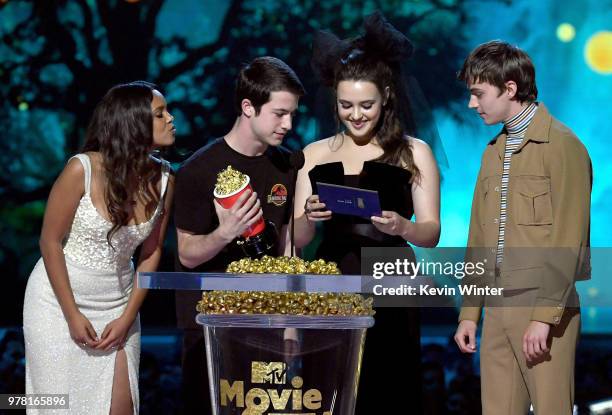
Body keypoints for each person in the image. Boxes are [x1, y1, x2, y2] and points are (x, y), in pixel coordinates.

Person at [294, 13, 441, 414]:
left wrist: (403, 225)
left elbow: (431, 233)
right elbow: (298, 239)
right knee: (330, 385)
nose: (355, 115)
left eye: (366, 105)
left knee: (389, 383)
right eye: (346, 105)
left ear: (387, 96)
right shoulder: (314, 154)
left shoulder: (415, 152)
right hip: (334, 274)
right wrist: (309, 216)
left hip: (391, 278)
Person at [453, 41, 591, 414]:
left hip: (542, 306)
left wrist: (543, 317)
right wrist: (470, 312)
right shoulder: (492, 151)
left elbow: (569, 239)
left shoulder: (563, 147)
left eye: (478, 93)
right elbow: (478, 237)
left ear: (510, 88)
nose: (472, 104)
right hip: (496, 308)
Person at [23, 81, 175, 414]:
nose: (171, 119)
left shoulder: (165, 178)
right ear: (133, 122)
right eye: (160, 113)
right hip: (57, 304)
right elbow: (49, 241)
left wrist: (127, 316)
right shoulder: (82, 168)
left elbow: (152, 253)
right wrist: (72, 314)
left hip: (119, 305)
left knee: (120, 405)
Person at [173, 56, 305, 413]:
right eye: (279, 113)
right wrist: (224, 233)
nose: (288, 124)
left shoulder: (287, 166)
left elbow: (289, 251)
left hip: (269, 321)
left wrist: (290, 326)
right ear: (248, 106)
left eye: (293, 114)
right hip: (210, 326)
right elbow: (186, 254)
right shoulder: (197, 170)